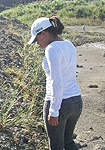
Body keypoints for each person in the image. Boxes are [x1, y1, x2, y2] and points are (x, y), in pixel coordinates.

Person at [28, 16, 83, 150]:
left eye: (37, 39)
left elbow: (56, 81)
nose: (37, 43)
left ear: (43, 33)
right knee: (68, 142)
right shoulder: (69, 44)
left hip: (60, 103)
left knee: (56, 146)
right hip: (76, 101)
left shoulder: (51, 49)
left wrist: (53, 110)